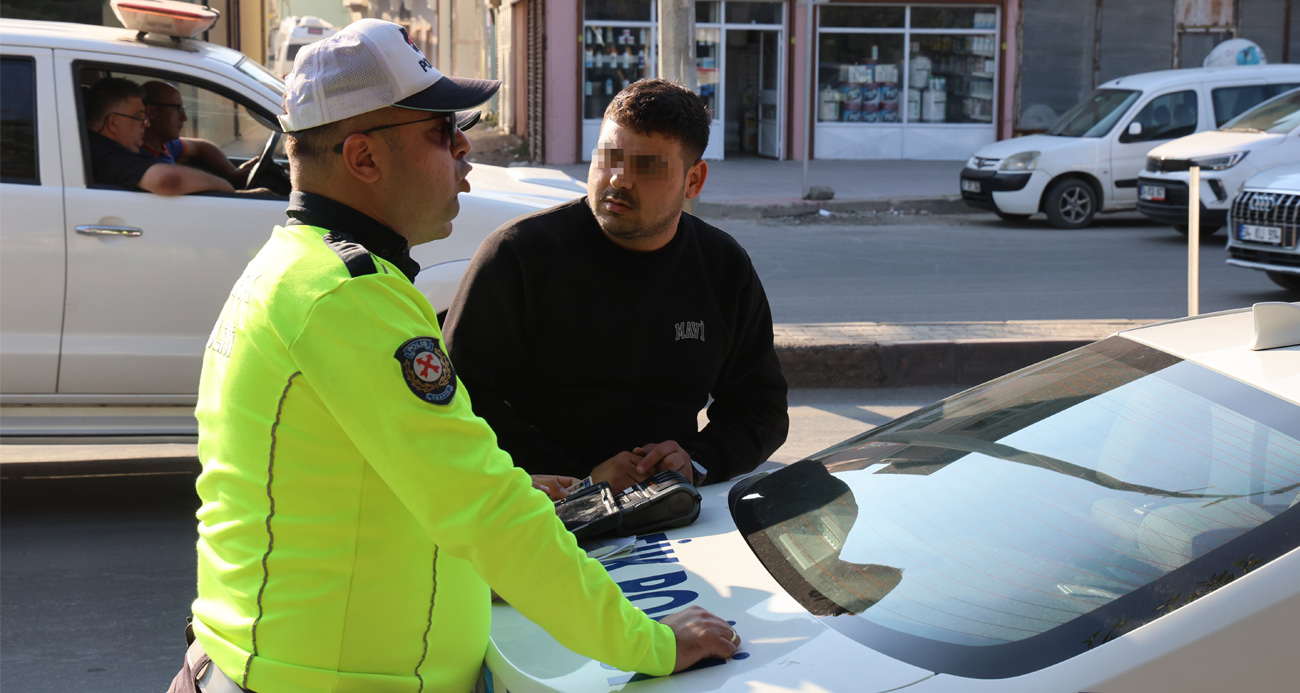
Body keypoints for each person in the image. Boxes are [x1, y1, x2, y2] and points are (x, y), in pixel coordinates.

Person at [168, 19, 739, 693]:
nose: (464, 147)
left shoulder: (304, 272)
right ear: (364, 158)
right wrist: (648, 640)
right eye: (441, 131)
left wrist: (518, 485)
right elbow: (485, 512)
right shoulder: (345, 299)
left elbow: (365, 478)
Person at [443, 78, 789, 494]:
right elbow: (460, 397)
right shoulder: (519, 255)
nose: (619, 180)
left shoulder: (722, 265)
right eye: (608, 158)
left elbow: (761, 409)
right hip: (540, 508)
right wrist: (583, 482)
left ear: (693, 181)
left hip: (669, 507)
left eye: (646, 166)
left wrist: (695, 462)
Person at [84, 78, 235, 195]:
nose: (147, 124)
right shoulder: (103, 157)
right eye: (139, 117)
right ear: (114, 122)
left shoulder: (91, 146)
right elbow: (168, 180)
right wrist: (228, 190)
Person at [140, 80, 252, 185]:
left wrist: (232, 172)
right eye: (178, 109)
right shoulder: (141, 161)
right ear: (151, 112)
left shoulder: (165, 145)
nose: (184, 117)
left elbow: (201, 146)